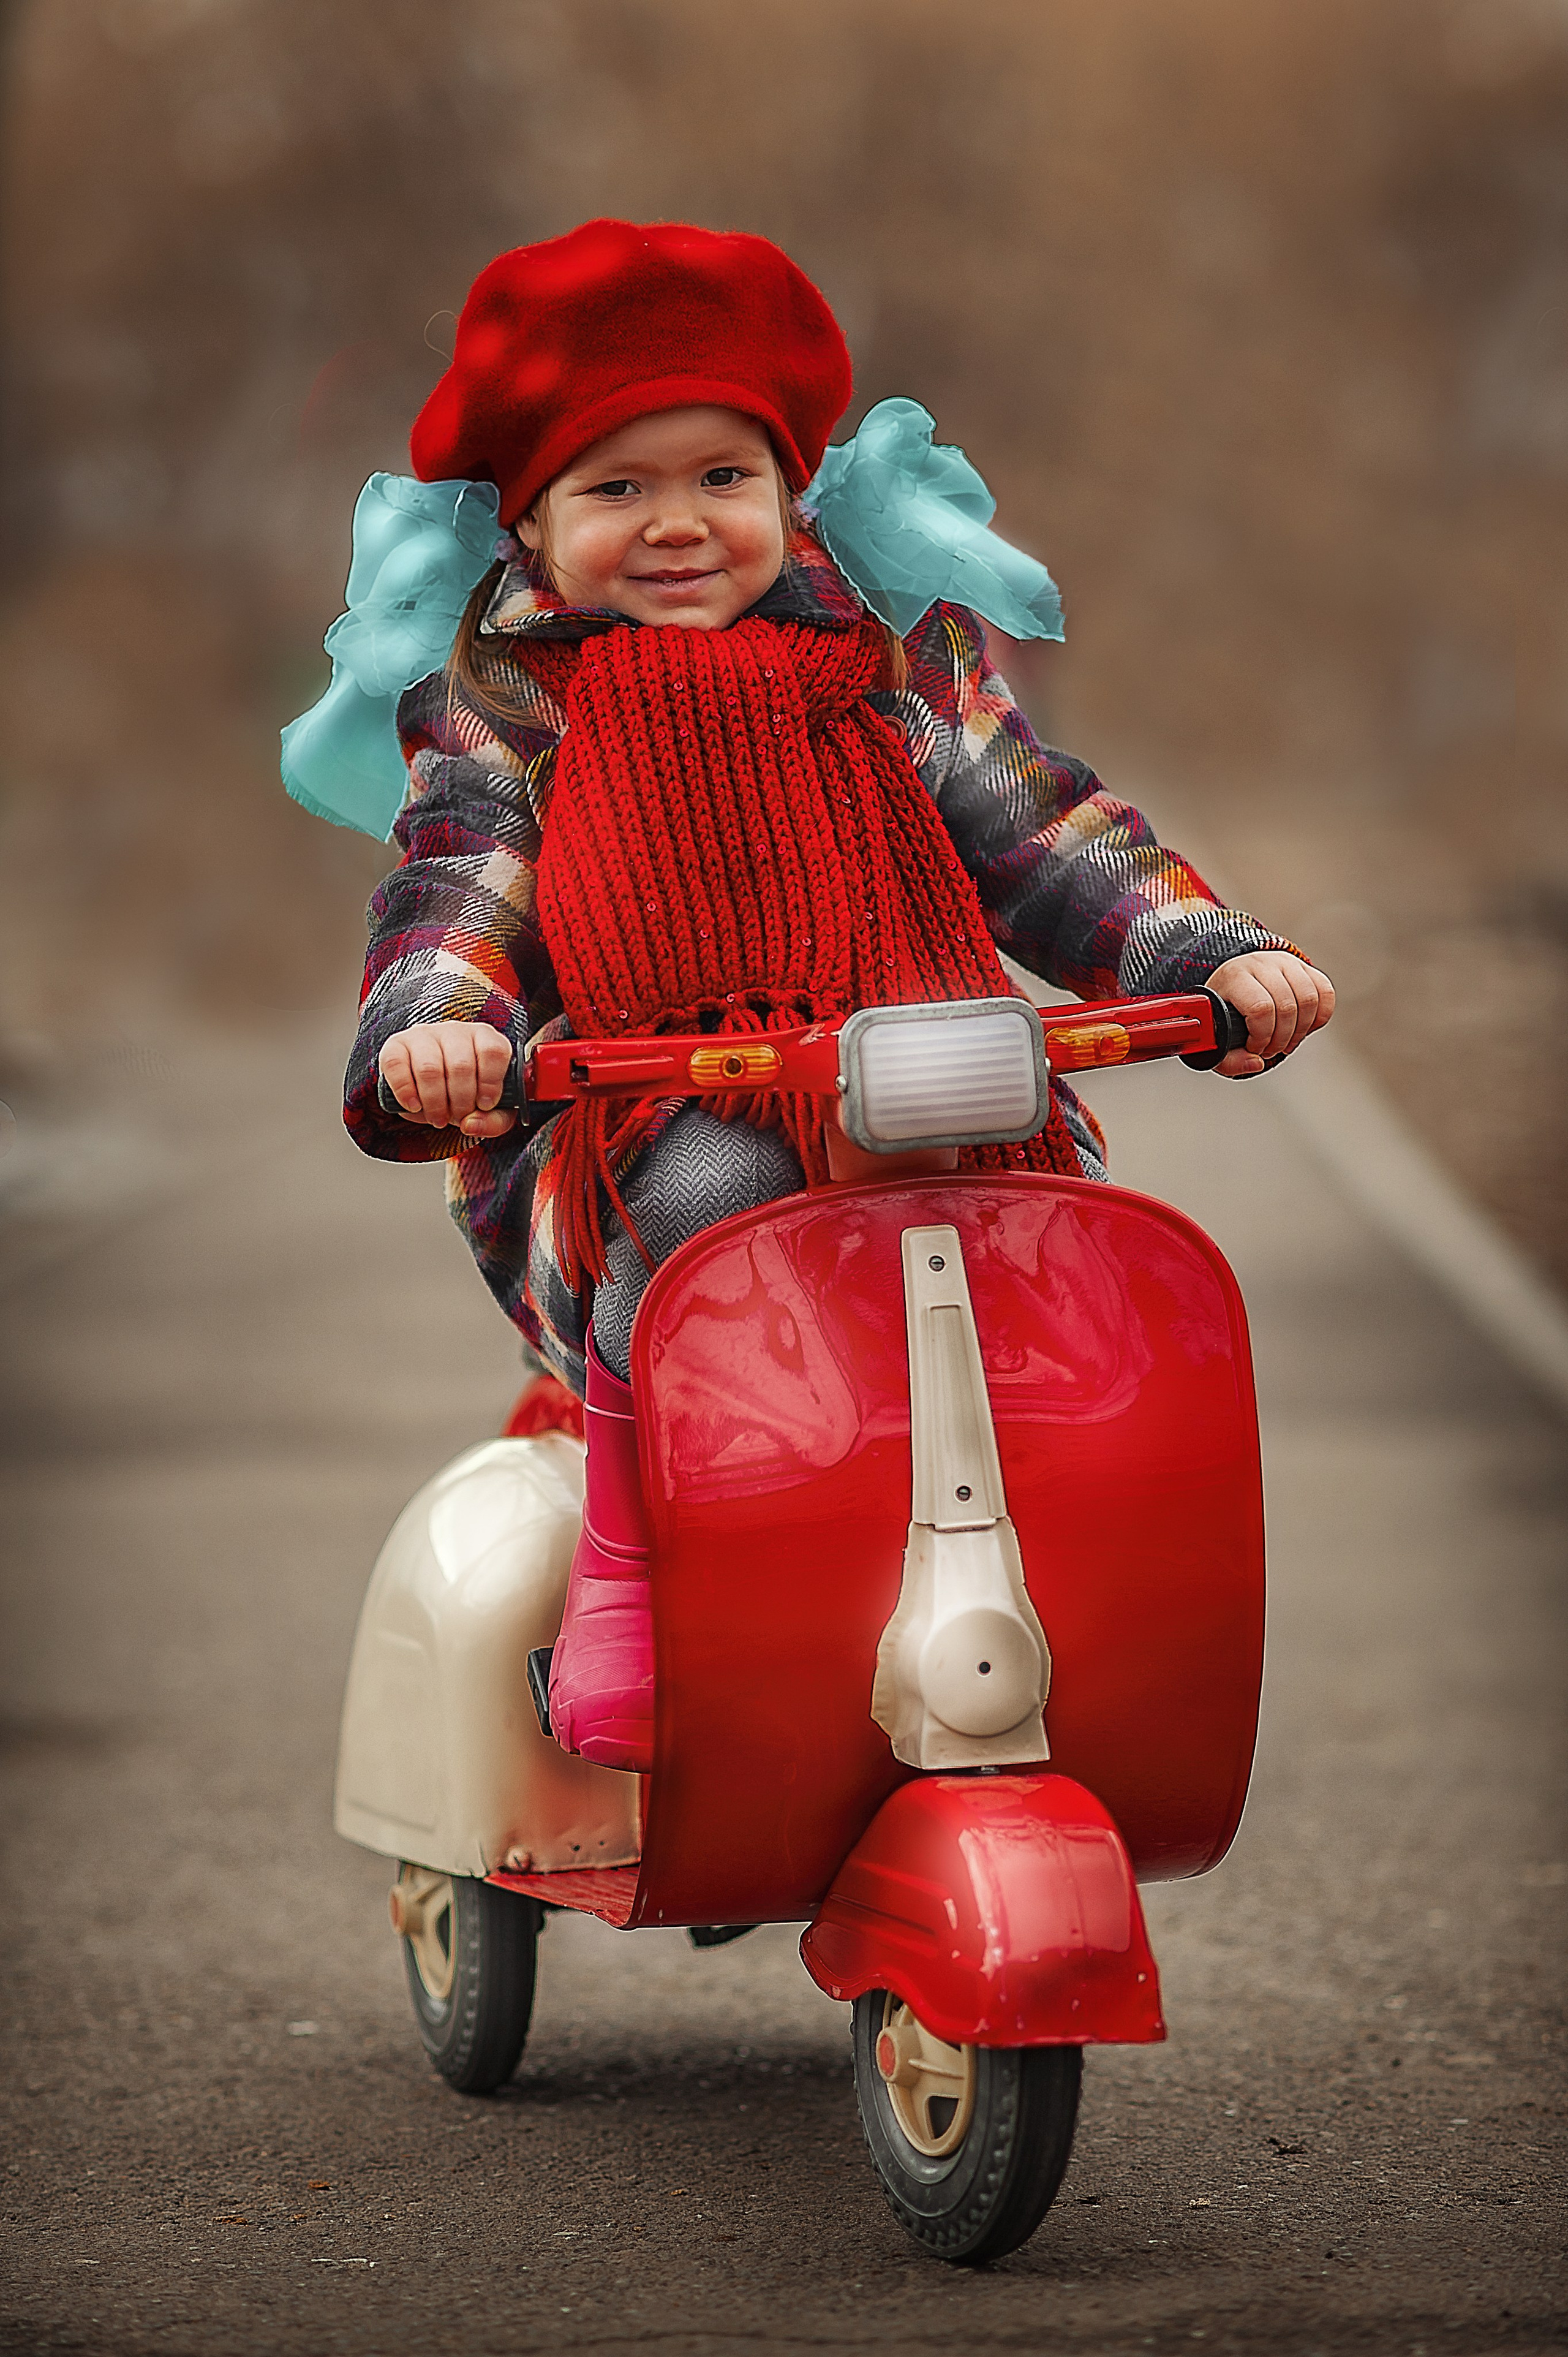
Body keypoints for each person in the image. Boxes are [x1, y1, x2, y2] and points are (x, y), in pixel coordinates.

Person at [287, 218, 1332, 1766]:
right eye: (614, 489)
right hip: (640, 1115)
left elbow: (1039, 830)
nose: (677, 523)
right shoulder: (510, 707)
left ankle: (1069, 1575)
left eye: (722, 475)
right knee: (716, 1200)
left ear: (790, 491)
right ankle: (632, 1579)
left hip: (925, 1074)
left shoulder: (890, 663)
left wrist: (1200, 951)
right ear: (528, 524)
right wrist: (440, 1025)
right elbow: (461, 881)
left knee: (1054, 1249)